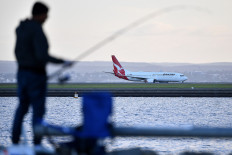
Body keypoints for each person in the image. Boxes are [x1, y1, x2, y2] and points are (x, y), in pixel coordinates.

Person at [12, 1, 72, 150]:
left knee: (22, 108)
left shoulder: (21, 28)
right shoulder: (37, 30)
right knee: (38, 111)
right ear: (40, 15)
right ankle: (37, 145)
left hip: (21, 73)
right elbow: (41, 55)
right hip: (36, 76)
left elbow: (17, 52)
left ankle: (14, 142)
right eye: (46, 15)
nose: (47, 18)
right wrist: (62, 62)